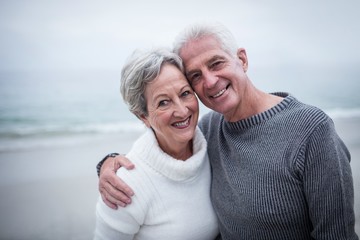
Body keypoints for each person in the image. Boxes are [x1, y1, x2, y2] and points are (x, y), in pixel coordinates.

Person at [97, 23, 358, 239]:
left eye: (216, 63)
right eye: (196, 76)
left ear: (242, 59)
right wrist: (108, 163)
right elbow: (163, 144)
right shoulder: (208, 132)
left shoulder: (312, 131)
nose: (210, 81)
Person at [94, 48, 219, 239]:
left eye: (185, 93)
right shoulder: (124, 185)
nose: (182, 110)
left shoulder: (214, 142)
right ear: (143, 116)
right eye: (163, 102)